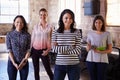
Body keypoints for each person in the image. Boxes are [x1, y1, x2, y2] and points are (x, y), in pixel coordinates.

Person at [52, 9, 81, 80]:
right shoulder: (55, 32)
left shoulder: (77, 32)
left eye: (71, 18)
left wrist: (60, 49)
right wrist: (71, 47)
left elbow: (78, 51)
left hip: (74, 65)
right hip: (59, 65)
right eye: (66, 18)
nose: (68, 20)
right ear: (62, 19)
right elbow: (54, 49)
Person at [86, 15, 112, 80]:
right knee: (93, 78)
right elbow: (87, 49)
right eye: (96, 22)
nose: (98, 24)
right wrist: (88, 47)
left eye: (100, 22)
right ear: (94, 23)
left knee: (101, 78)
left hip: (102, 60)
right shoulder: (90, 33)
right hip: (90, 59)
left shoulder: (107, 34)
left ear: (102, 23)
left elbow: (110, 50)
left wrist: (100, 51)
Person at [31, 8, 53, 80]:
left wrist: (48, 50)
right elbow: (32, 39)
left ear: (47, 15)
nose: (42, 16)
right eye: (41, 15)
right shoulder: (35, 26)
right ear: (39, 15)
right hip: (34, 51)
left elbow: (51, 39)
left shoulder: (50, 27)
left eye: (44, 15)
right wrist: (29, 50)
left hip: (44, 51)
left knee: (48, 69)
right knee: (36, 70)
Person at [6, 15, 31, 80]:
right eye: (17, 22)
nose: (19, 24)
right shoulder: (9, 35)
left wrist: (24, 61)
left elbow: (28, 49)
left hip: (24, 63)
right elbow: (9, 50)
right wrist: (14, 63)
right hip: (12, 62)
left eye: (21, 22)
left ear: (24, 24)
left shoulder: (27, 35)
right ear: (14, 23)